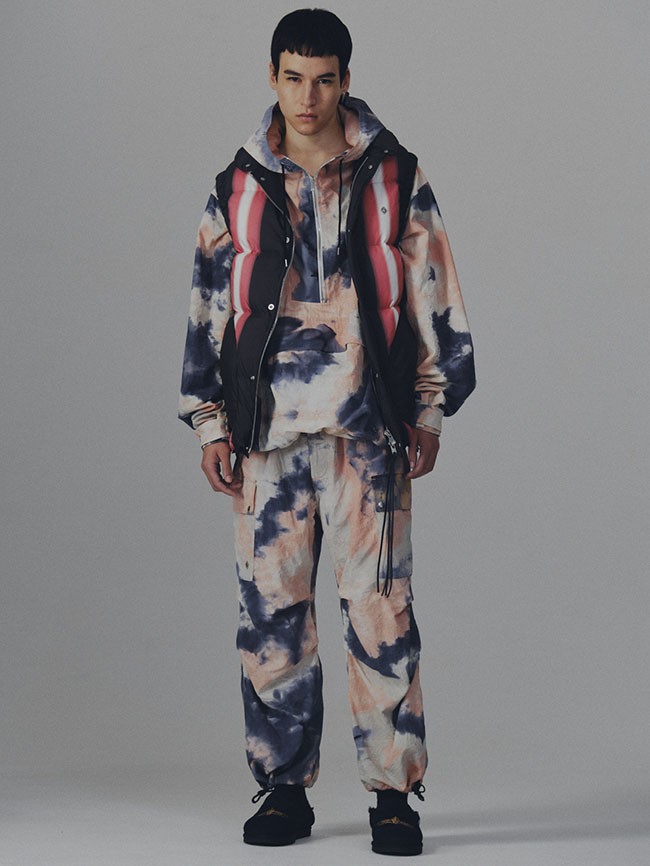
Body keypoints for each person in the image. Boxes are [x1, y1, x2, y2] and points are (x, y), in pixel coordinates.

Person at [178, 7, 475, 856]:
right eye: (293, 78)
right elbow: (208, 304)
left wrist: (428, 406)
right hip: (265, 438)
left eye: (324, 79)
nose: (308, 97)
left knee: (382, 613)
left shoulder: (395, 173)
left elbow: (434, 289)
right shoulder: (237, 184)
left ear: (346, 80)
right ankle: (282, 791)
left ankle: (394, 797)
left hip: (368, 434)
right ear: (272, 77)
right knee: (271, 617)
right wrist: (209, 420)